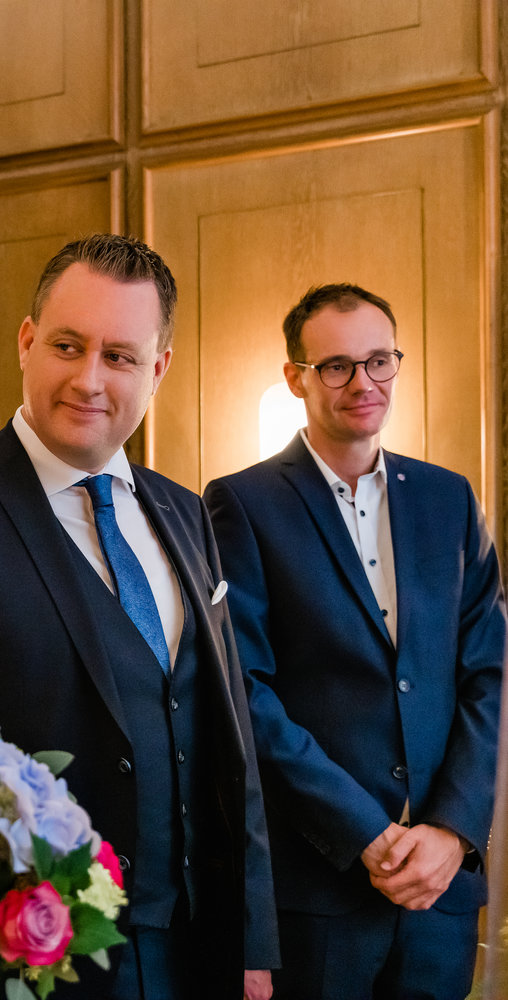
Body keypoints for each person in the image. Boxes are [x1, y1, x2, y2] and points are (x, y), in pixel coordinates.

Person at [0, 234, 279, 1000]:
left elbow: (232, 741)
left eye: (119, 356)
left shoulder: (188, 513)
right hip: (29, 969)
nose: (88, 379)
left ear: (159, 369)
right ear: (26, 342)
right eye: (66, 345)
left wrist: (254, 941)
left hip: (200, 954)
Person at [202, 284, 504, 1000]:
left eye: (379, 361)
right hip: (321, 887)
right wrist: (366, 832)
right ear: (296, 378)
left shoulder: (449, 497)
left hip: (440, 892)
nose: (362, 383)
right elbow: (246, 690)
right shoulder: (240, 503)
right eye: (336, 366)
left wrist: (452, 832)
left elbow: (486, 673)